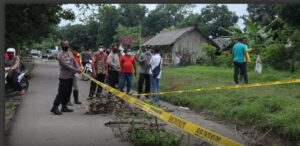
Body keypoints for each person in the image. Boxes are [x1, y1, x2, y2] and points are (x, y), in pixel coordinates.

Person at [50, 40, 82, 115]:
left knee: (68, 92)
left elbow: (74, 62)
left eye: (67, 44)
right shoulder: (60, 55)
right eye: (65, 44)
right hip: (64, 77)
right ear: (62, 46)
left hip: (70, 76)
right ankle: (54, 107)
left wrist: (79, 67)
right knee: (61, 93)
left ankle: (64, 107)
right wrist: (77, 70)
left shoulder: (70, 53)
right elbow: (66, 66)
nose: (67, 45)